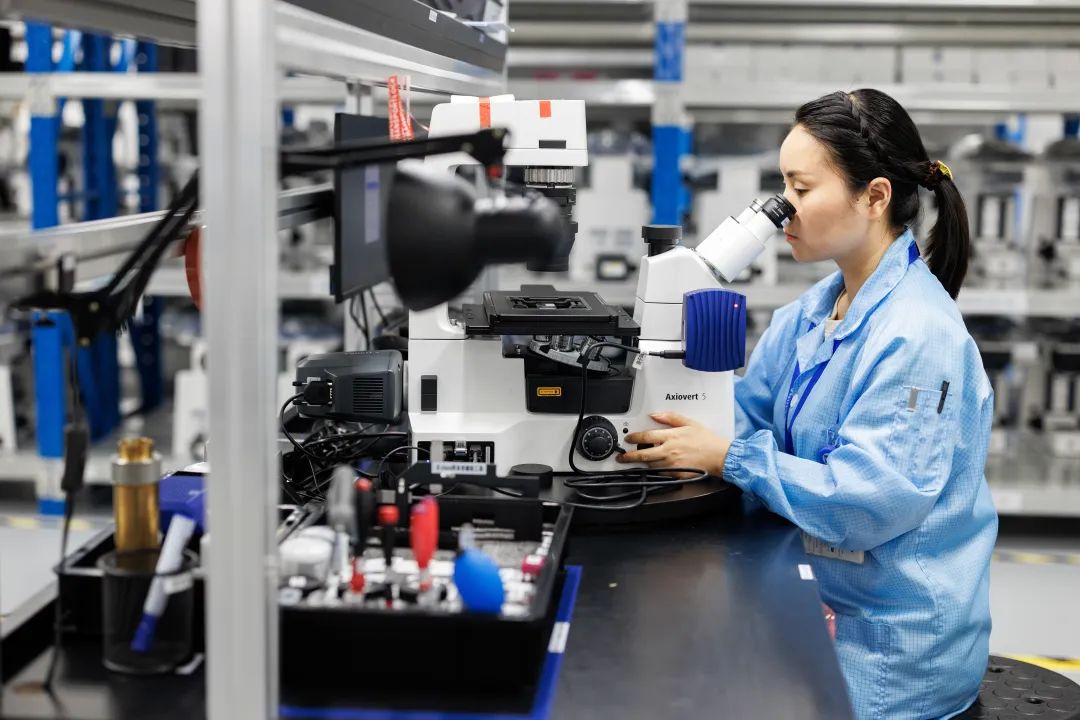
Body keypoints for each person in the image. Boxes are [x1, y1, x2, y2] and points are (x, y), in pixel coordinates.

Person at [617, 88, 998, 720]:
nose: (781, 209)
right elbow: (744, 413)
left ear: (874, 197)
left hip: (889, 651)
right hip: (815, 595)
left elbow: (868, 502)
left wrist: (730, 458)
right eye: (782, 186)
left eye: (800, 188)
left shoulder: (918, 337)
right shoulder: (814, 311)